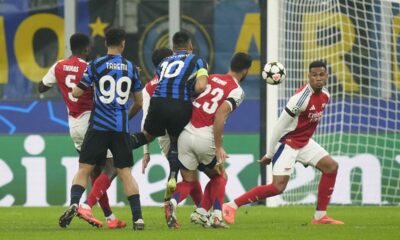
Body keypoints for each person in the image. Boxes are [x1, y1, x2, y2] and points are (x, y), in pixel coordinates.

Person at [222, 60, 344, 225]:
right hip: (287, 143)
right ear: (308, 77)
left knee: (331, 167)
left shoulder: (325, 95)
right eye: (314, 75)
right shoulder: (299, 100)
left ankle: (320, 216)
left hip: (304, 142)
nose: (318, 78)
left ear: (327, 76)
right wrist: (270, 153)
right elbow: (278, 128)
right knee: (277, 187)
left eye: (321, 74)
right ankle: (230, 206)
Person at [58, 28, 145, 231]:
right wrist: (126, 116)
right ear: (123, 44)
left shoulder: (96, 65)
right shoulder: (131, 68)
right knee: (125, 173)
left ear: (106, 43)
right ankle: (138, 219)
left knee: (84, 169)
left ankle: (75, 202)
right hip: (120, 128)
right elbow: (139, 102)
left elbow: (77, 92)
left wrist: (90, 85)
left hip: (98, 126)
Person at [38, 33, 126, 229]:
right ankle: (86, 205)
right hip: (92, 123)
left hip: (73, 125)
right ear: (86, 48)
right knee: (112, 166)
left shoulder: (58, 65)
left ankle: (103, 214)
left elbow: (41, 87)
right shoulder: (90, 67)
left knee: (90, 170)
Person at [165, 52, 252, 229]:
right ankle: (216, 216)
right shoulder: (237, 91)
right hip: (205, 136)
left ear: (231, 64)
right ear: (245, 71)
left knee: (188, 181)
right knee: (220, 176)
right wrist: (218, 146)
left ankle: (176, 204)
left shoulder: (211, 78)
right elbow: (219, 115)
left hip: (186, 133)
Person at [130, 31, 209, 204]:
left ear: (173, 48)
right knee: (177, 143)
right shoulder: (197, 60)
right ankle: (173, 177)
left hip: (158, 103)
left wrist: (146, 152)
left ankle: (120, 143)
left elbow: (161, 82)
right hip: (180, 105)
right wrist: (192, 89)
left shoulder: (164, 62)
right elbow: (201, 86)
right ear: (190, 46)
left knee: (146, 136)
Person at [139, 47, 204, 225]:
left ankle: (199, 210)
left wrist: (146, 151)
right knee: (189, 176)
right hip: (180, 125)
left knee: (185, 175)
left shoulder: (149, 87)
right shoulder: (181, 80)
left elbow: (146, 118)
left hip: (161, 134)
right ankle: (200, 210)